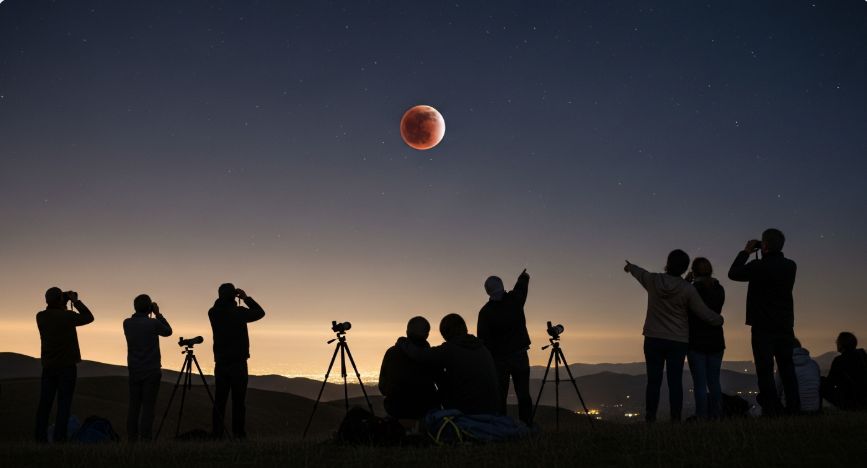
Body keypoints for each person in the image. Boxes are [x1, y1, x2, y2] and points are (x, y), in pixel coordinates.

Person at [624, 250, 724, 422]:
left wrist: (630, 267)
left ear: (668, 263)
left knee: (653, 381)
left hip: (653, 338)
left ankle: (651, 418)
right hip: (678, 341)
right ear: (685, 268)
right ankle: (675, 419)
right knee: (675, 382)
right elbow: (704, 313)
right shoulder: (687, 289)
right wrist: (719, 320)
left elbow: (639, 272)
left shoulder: (653, 280)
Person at [728, 228, 800, 415]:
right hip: (784, 325)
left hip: (762, 326)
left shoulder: (758, 267)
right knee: (787, 369)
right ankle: (794, 408)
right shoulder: (791, 265)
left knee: (765, 369)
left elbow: (733, 273)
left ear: (765, 245)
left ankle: (771, 408)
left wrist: (746, 252)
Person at [399, 314, 501, 415]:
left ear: (447, 333)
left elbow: (420, 355)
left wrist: (403, 343)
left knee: (435, 369)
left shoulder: (451, 349)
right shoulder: (482, 348)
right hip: (492, 408)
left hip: (469, 409)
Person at [34, 287, 94, 442]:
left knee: (44, 405)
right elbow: (89, 317)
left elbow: (56, 312)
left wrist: (63, 300)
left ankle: (40, 440)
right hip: (66, 367)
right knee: (64, 405)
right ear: (60, 300)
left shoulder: (41, 316)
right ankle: (59, 439)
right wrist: (75, 301)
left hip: (48, 367)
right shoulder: (67, 316)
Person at [209, 283, 266, 439]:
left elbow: (221, 307)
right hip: (238, 362)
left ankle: (217, 434)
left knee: (220, 401)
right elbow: (260, 313)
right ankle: (238, 435)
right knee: (238, 401)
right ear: (233, 295)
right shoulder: (239, 312)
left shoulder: (213, 312)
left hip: (221, 363)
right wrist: (246, 298)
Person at [477, 269, 532, 425]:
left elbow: (483, 340)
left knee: (500, 395)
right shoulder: (515, 300)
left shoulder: (485, 312)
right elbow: (521, 288)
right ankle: (527, 425)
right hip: (520, 355)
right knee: (523, 394)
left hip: (498, 360)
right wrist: (523, 276)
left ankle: (502, 426)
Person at [123, 294, 173, 441]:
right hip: (151, 371)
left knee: (134, 407)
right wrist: (158, 314)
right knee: (148, 408)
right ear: (149, 307)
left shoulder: (127, 323)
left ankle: (132, 440)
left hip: (134, 370)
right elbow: (168, 331)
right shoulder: (153, 324)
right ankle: (146, 440)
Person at [685, 257, 726, 419]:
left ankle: (701, 416)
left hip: (696, 340)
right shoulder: (719, 288)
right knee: (714, 381)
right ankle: (717, 414)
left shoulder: (692, 290)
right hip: (716, 339)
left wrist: (686, 283)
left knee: (700, 383)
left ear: (693, 272)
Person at [378, 316, 441, 419]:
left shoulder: (392, 353)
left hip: (397, 410)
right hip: (426, 411)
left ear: (407, 332)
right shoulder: (431, 355)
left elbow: (382, 387)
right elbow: (441, 383)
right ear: (427, 335)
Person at [821, 332, 867, 410]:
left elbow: (830, 382)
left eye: (837, 341)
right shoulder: (863, 357)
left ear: (841, 344)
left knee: (820, 381)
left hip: (850, 400)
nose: (836, 343)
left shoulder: (839, 360)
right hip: (863, 399)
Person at [776, 338, 820, 413]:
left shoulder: (784, 365)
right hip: (814, 409)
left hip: (792, 410)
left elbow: (777, 391)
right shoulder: (813, 364)